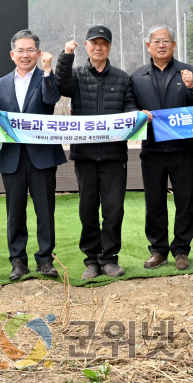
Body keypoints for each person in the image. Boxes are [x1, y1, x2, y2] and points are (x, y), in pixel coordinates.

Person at [55, 25, 137, 281]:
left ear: (110, 47)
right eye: (94, 43)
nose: (98, 47)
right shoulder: (77, 75)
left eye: (103, 43)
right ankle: (91, 260)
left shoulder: (123, 78)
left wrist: (137, 116)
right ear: (87, 46)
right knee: (87, 209)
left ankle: (110, 259)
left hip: (114, 156)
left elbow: (130, 106)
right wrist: (66, 57)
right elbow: (61, 84)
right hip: (85, 155)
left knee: (114, 210)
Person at [0, 30, 63, 281]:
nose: (25, 54)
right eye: (20, 50)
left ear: (39, 53)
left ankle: (45, 259)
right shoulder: (0, 83)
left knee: (45, 210)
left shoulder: (47, 78)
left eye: (30, 50)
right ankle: (18, 261)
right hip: (13, 157)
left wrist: (49, 70)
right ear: (12, 54)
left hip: (42, 155)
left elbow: (51, 101)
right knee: (15, 212)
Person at [130, 26, 193, 272]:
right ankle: (158, 250)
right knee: (154, 201)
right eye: (156, 41)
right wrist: (137, 115)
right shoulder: (137, 75)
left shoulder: (188, 71)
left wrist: (192, 87)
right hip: (151, 149)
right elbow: (129, 105)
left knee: (185, 200)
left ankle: (182, 250)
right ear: (148, 45)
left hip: (182, 149)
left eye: (166, 41)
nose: (161, 45)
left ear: (174, 45)